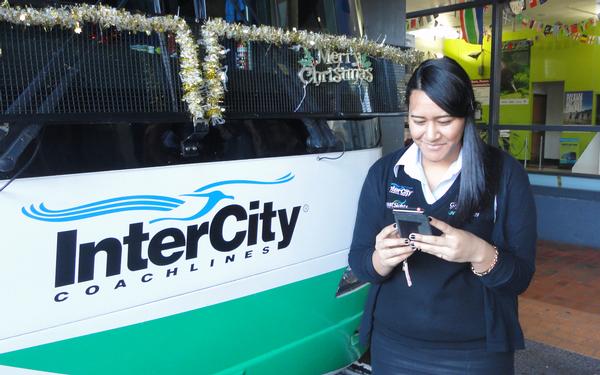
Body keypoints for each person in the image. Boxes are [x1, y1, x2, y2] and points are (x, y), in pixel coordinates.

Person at [348, 57, 537, 374]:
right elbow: (360, 262)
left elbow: (520, 277)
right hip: (394, 347)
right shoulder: (385, 173)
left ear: (467, 116)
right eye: (418, 121)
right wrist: (382, 258)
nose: (430, 134)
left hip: (475, 353)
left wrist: (477, 252)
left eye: (445, 121)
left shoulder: (504, 175)